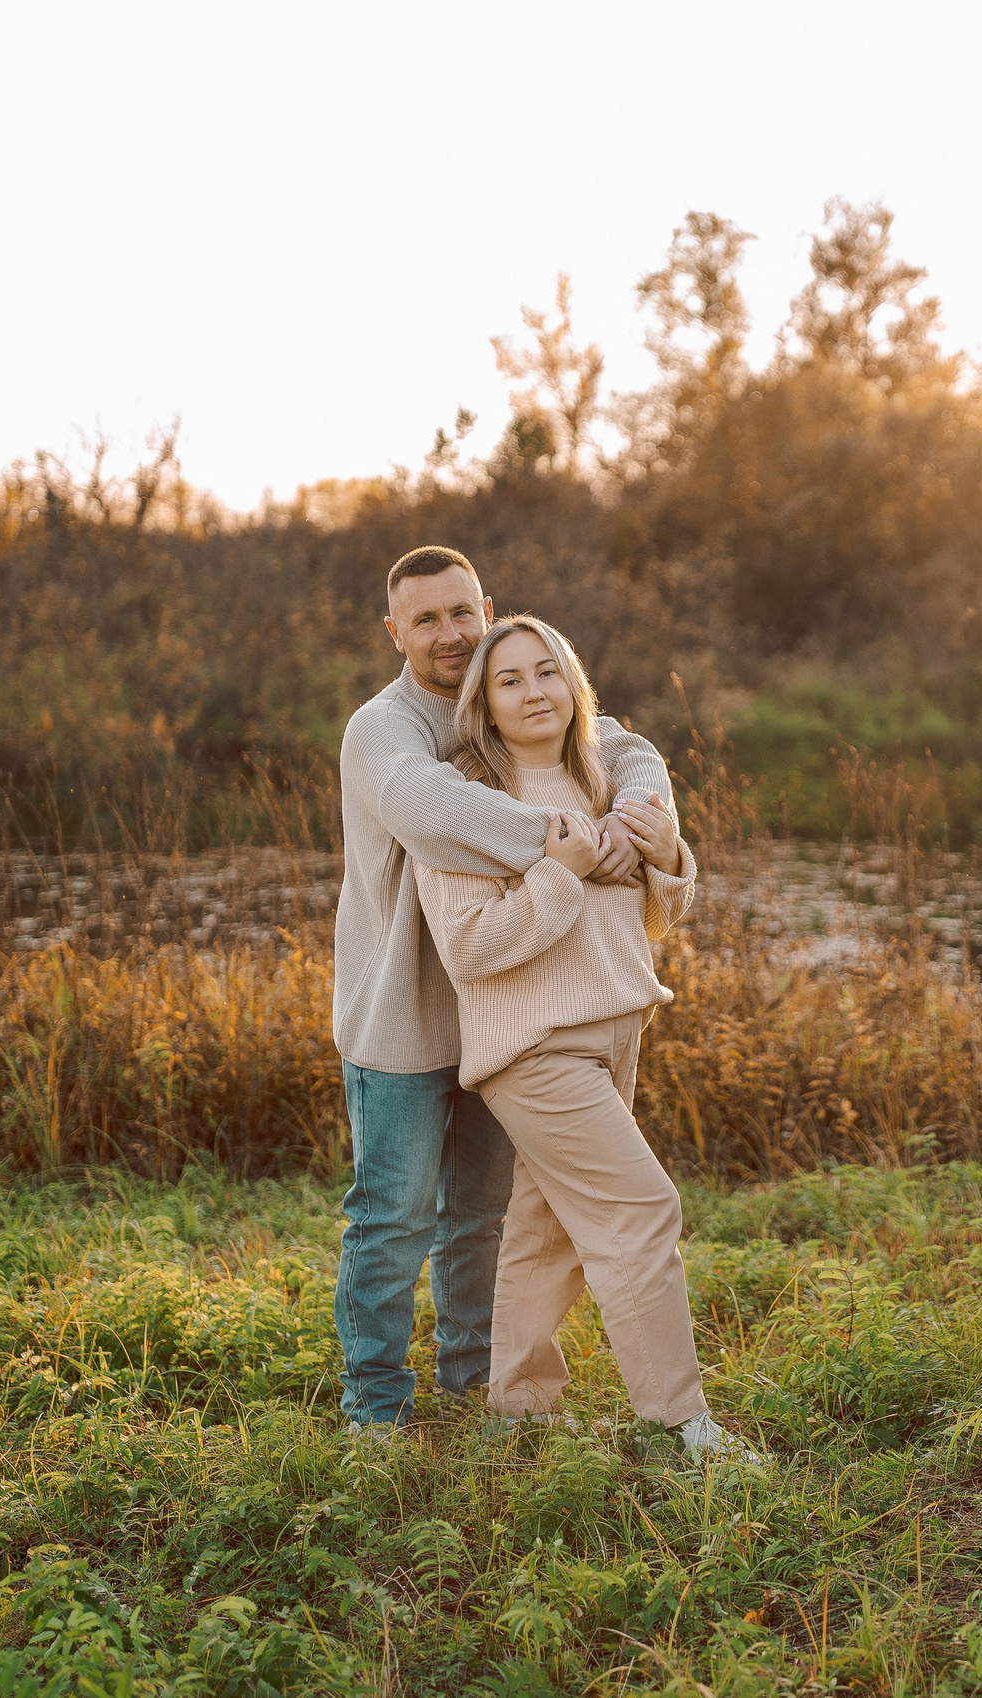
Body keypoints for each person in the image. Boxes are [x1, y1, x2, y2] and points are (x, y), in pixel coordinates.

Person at [331, 546, 671, 1434]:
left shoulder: (501, 697)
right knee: (393, 1222)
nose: (449, 634)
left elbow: (626, 748)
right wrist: (590, 845)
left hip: (504, 1010)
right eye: (426, 619)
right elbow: (436, 813)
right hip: (406, 1011)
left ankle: (475, 1390)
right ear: (394, 630)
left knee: (481, 1218)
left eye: (460, 612)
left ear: (487, 606)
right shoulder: (385, 729)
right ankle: (374, 1412)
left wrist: (639, 815)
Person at [417, 613, 759, 1463]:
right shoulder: (466, 805)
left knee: (548, 1227)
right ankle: (679, 1428)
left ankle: (519, 1410)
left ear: (575, 687)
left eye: (548, 672)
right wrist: (557, 877)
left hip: (616, 1033)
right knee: (641, 1212)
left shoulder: (606, 783)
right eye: (509, 680)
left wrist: (669, 851)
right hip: (536, 1051)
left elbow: (658, 916)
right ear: (483, 706)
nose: (534, 691)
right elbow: (470, 947)